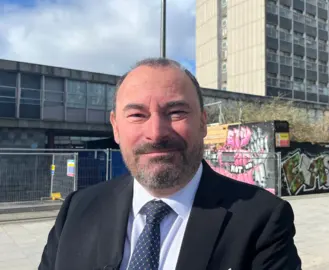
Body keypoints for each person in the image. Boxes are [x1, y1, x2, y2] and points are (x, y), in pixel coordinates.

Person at [38, 58, 302, 270]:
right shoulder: (77, 209)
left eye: (176, 113)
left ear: (202, 123)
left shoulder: (263, 219)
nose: (156, 133)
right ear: (116, 128)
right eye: (137, 115)